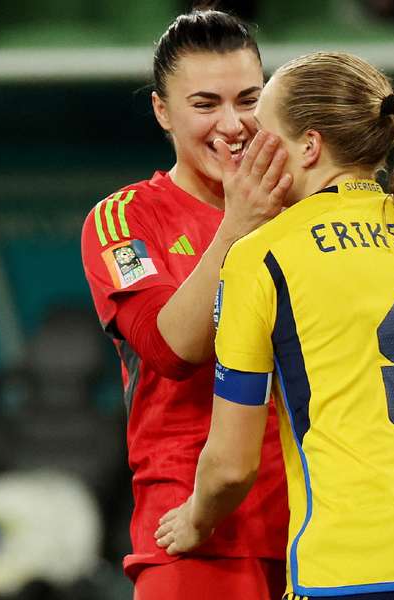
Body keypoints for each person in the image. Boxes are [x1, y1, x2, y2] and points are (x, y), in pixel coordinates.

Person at [155, 51, 394, 600]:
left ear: (308, 147)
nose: (248, 150)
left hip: (349, 575)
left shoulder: (265, 257)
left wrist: (196, 519)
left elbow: (231, 467)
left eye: (263, 135)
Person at [79, 9, 291, 600]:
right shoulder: (125, 219)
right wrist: (237, 225)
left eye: (249, 98)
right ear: (162, 111)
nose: (233, 124)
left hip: (317, 529)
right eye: (205, 105)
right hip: (192, 536)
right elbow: (169, 347)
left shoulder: (305, 208)